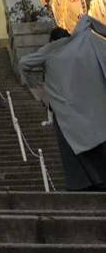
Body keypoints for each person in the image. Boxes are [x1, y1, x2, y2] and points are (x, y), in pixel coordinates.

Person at [21, 15, 106, 191]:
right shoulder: (83, 42)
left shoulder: (51, 50)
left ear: (52, 40)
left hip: (68, 110)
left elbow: (24, 62)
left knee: (74, 149)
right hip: (94, 103)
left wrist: (40, 82)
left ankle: (84, 183)